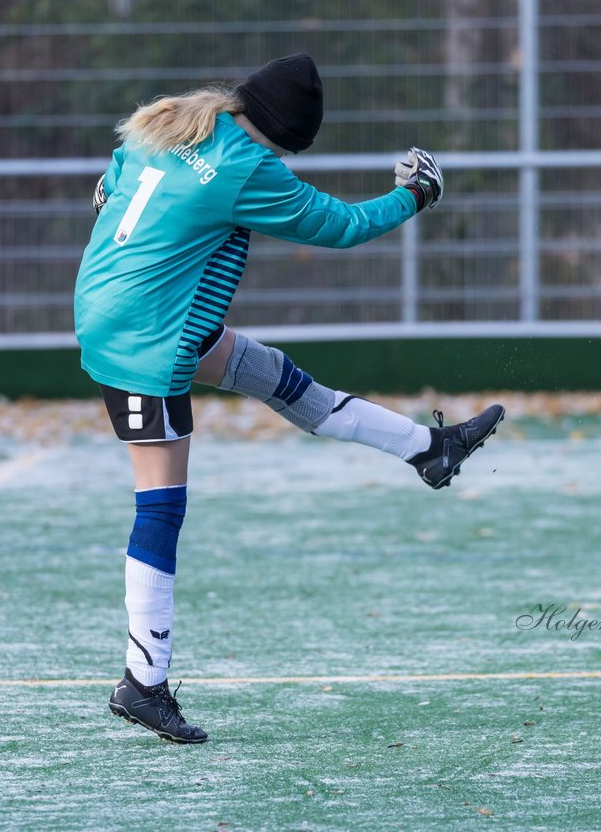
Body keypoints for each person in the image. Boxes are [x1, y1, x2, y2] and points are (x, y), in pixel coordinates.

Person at [75, 54, 504, 744]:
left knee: (281, 380)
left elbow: (104, 196)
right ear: (291, 134)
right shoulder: (250, 167)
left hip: (141, 317)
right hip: (143, 343)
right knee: (160, 506)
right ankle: (142, 684)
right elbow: (341, 227)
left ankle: (430, 448)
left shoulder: (171, 125)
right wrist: (417, 194)